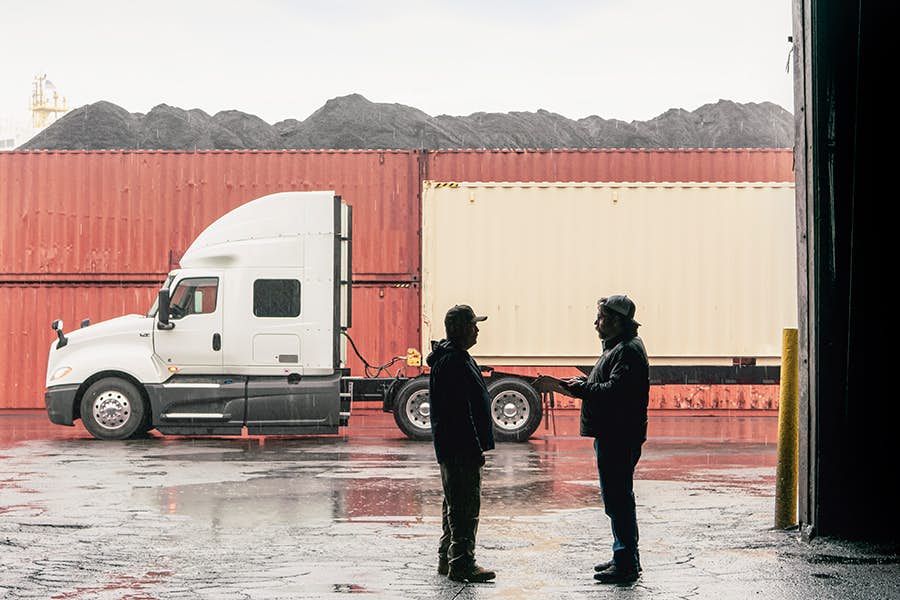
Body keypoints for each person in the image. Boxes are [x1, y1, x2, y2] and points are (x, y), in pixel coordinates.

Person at [562, 295, 650, 584]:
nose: (595, 323)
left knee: (618, 499)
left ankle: (626, 563)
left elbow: (615, 392)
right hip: (614, 434)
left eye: (600, 317)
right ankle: (622, 556)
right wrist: (584, 386)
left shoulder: (628, 351)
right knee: (616, 498)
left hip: (618, 436)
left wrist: (582, 390)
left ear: (615, 321)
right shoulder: (618, 348)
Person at [427, 304, 496, 583]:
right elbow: (459, 412)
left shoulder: (455, 357)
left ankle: (448, 557)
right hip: (460, 447)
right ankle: (462, 563)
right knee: (465, 507)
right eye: (472, 324)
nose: (477, 329)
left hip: (454, 445)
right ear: (458, 329)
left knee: (454, 504)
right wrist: (474, 446)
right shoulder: (453, 361)